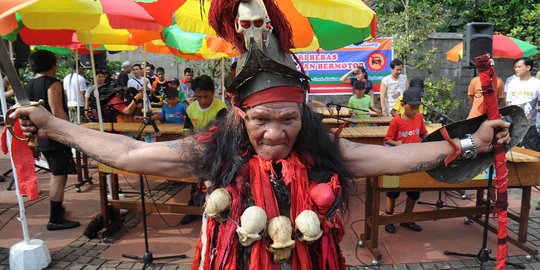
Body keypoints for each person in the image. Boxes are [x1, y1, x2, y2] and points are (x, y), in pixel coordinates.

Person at [13, 5, 511, 268]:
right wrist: (55, 125)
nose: (276, 132)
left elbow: (396, 159)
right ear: (239, 113)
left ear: (304, 113)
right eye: (262, 120)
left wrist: (472, 143)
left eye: (288, 120)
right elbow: (128, 151)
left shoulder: (322, 148)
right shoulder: (213, 150)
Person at [23, 50, 80, 231]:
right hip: (54, 135)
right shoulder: (52, 83)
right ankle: (55, 218)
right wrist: (71, 133)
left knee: (57, 173)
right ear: (52, 65)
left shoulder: (28, 85)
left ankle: (58, 208)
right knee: (58, 175)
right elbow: (57, 113)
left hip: (38, 135)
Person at [181, 75, 227, 225]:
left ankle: (219, 211)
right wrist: (190, 144)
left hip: (215, 151)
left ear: (213, 92)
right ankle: (193, 209)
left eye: (206, 96)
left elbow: (222, 133)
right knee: (195, 183)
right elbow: (187, 129)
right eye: (198, 97)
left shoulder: (221, 108)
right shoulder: (190, 108)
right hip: (197, 150)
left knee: (215, 183)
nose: (202, 100)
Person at [383, 87, 428, 233]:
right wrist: (396, 143)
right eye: (412, 107)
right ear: (403, 105)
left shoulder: (419, 118)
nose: (414, 110)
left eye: (417, 107)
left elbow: (423, 134)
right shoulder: (396, 121)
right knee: (393, 190)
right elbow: (387, 139)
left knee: (414, 191)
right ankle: (389, 219)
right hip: (399, 160)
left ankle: (407, 218)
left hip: (415, 159)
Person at [505, 57, 540, 151]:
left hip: (530, 126)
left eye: (519, 66)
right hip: (514, 125)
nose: (516, 69)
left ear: (528, 68)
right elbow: (508, 102)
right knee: (511, 151)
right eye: (515, 67)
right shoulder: (512, 83)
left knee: (533, 153)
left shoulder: (537, 83)